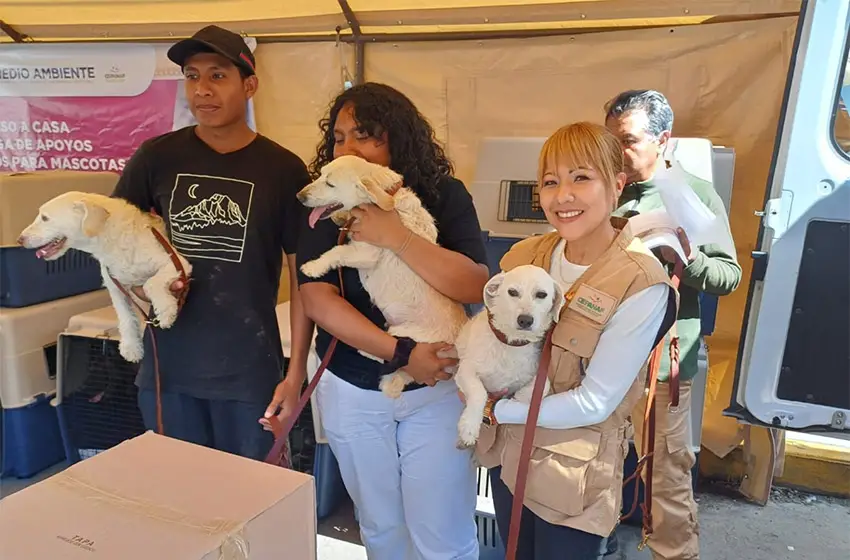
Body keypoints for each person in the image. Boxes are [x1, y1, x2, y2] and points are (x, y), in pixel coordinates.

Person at [289, 82, 488, 560]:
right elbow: (314, 296)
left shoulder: (442, 195)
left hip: (437, 390)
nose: (348, 147)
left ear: (396, 137)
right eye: (338, 137)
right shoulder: (330, 204)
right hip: (354, 389)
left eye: (364, 134)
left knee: (442, 531)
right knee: (380, 528)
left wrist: (397, 236)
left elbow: (474, 284)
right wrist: (401, 354)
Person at [466, 122, 679, 559]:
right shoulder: (525, 257)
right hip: (509, 461)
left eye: (581, 177)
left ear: (617, 184)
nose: (563, 195)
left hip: (573, 480)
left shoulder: (640, 281)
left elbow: (595, 402)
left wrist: (493, 409)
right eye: (550, 182)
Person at [112, 25, 314, 462]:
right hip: (169, 370)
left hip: (248, 374)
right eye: (192, 76)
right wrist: (139, 285)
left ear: (250, 85)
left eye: (218, 76)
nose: (202, 90)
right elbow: (113, 238)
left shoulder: (283, 169)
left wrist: (295, 371)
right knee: (178, 499)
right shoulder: (156, 157)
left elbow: (304, 278)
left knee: (252, 499)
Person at [604, 89, 742, 560]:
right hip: (601, 360)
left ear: (663, 139)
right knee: (591, 470)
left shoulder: (691, 194)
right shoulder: (599, 188)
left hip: (662, 365)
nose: (615, 151)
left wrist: (685, 258)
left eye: (626, 140)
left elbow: (728, 275)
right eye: (609, 140)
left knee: (664, 479)